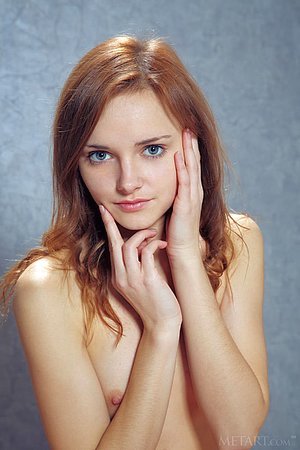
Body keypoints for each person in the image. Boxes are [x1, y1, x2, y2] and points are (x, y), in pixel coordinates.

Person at [0, 35, 270, 450]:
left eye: (152, 149)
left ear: (191, 145)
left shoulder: (237, 243)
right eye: (100, 156)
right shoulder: (48, 289)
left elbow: (239, 434)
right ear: (75, 163)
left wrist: (185, 260)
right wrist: (161, 329)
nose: (128, 182)